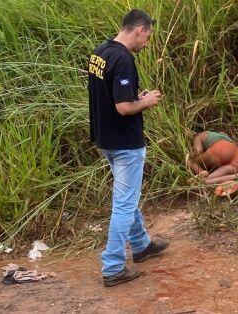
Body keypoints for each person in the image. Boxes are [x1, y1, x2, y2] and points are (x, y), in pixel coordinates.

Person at [88, 9, 169, 287]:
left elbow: (110, 96)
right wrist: (145, 101)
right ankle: (112, 267)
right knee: (124, 203)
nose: (147, 43)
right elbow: (124, 107)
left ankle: (141, 245)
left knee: (128, 195)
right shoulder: (123, 59)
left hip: (105, 138)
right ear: (139, 30)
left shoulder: (101, 52)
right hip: (125, 143)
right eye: (148, 37)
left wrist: (136, 97)